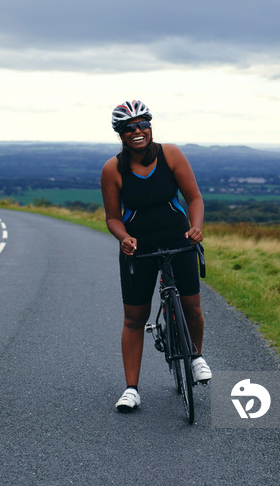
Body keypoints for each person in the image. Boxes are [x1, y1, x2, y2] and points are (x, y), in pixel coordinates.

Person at [100, 99, 212, 412]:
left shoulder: (171, 154)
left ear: (150, 127)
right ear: (121, 135)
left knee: (191, 306)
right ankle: (132, 389)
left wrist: (197, 228)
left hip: (179, 239)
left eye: (142, 124)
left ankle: (196, 358)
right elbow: (112, 217)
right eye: (129, 128)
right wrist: (124, 238)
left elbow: (194, 198)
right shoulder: (113, 169)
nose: (138, 131)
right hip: (139, 248)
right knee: (135, 319)